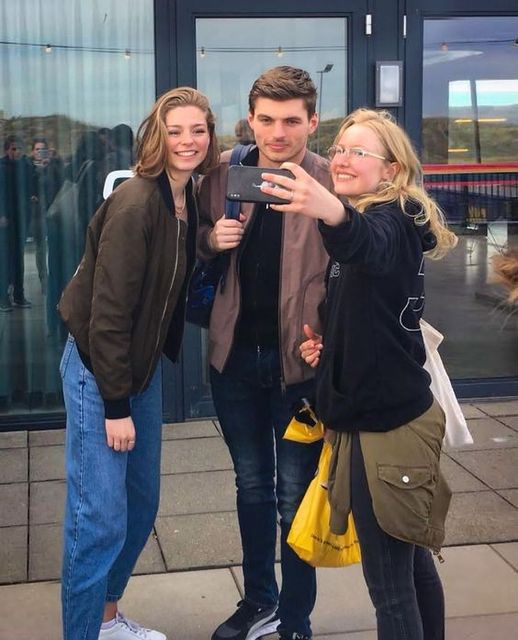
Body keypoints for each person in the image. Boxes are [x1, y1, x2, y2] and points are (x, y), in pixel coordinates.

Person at [260, 108, 458, 640]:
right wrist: (334, 348)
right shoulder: (375, 213)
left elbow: (365, 242)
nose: (343, 159)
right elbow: (370, 309)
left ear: (391, 169)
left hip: (387, 431)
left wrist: (331, 212)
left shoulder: (388, 220)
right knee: (411, 567)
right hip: (375, 417)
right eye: (340, 148)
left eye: (359, 152)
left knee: (391, 590)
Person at [58, 87, 219, 640]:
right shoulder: (136, 202)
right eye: (175, 131)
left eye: (197, 130)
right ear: (156, 135)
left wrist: (209, 241)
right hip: (99, 371)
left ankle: (106, 619)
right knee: (98, 518)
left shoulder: (184, 196)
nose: (187, 141)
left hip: (138, 367)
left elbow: (171, 256)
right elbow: (108, 315)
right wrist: (115, 405)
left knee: (141, 503)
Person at [197, 66, 332, 640]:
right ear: (250, 119)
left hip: (300, 368)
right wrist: (210, 240)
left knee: (294, 499)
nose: (278, 133)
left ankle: (295, 620)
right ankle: (259, 601)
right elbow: (190, 243)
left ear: (312, 121)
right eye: (267, 120)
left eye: (292, 120)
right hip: (234, 362)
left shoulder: (331, 180)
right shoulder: (226, 171)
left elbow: (360, 265)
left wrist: (335, 339)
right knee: (251, 488)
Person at [0, 135, 36, 311]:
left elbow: (32, 185)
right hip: (6, 219)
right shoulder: (2, 167)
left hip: (21, 217)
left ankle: (19, 295)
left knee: (18, 258)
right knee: (6, 258)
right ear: (7, 150)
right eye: (13, 149)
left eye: (19, 148)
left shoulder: (25, 166)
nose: (17, 152)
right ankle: (3, 297)